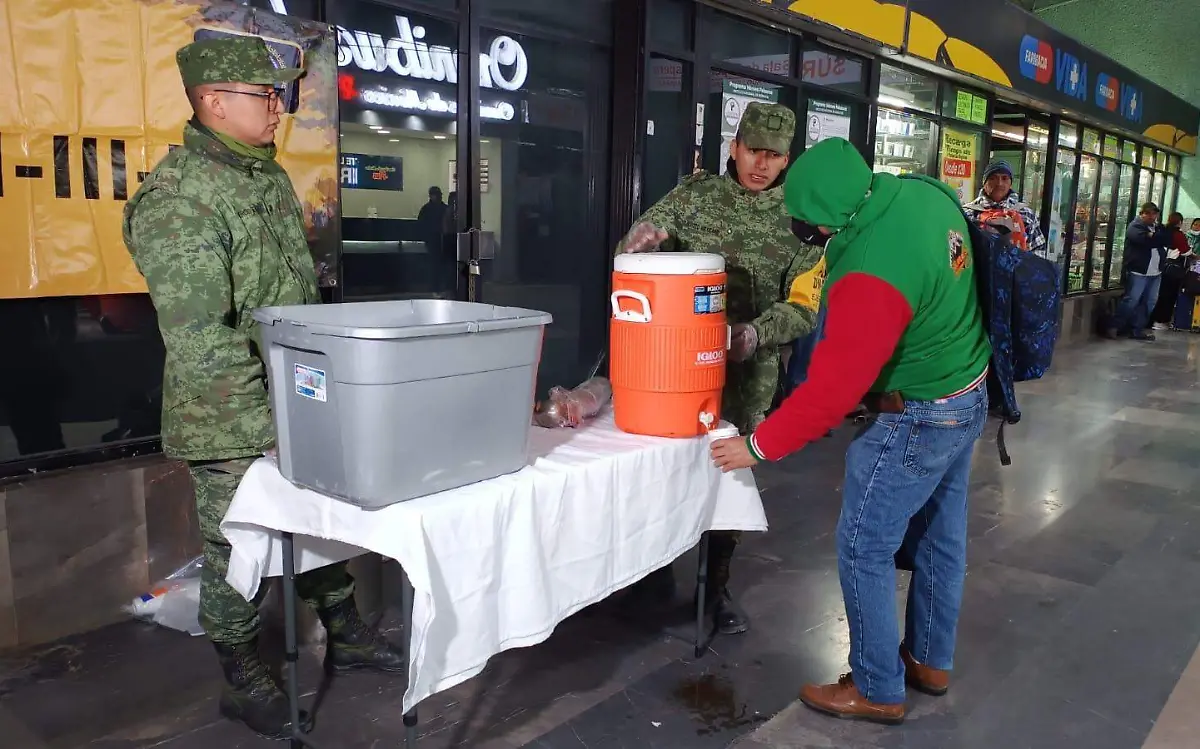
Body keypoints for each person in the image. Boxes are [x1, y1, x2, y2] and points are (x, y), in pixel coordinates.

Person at [123, 37, 404, 740]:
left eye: (280, 95)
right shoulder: (178, 198)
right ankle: (240, 676)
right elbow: (201, 340)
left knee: (313, 520)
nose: (280, 109)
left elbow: (291, 300)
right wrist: (270, 424)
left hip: (293, 401)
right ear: (215, 101)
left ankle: (346, 633)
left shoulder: (262, 177)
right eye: (266, 96)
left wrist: (308, 404)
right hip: (228, 415)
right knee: (236, 545)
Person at [711, 138, 991, 724]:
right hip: (967, 392)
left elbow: (832, 394)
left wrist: (757, 445)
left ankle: (877, 686)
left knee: (865, 545)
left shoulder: (869, 275)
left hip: (917, 413)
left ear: (823, 220)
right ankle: (929, 661)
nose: (806, 235)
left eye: (807, 226)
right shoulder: (922, 193)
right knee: (941, 536)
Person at [616, 102, 824, 635]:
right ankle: (653, 571)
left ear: (787, 160)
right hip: (673, 370)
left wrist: (754, 334)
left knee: (728, 478)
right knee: (664, 465)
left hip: (747, 374)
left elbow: (805, 305)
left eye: (775, 156)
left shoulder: (802, 221)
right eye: (754, 150)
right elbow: (637, 252)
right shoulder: (694, 195)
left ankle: (717, 584)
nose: (762, 164)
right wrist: (635, 245)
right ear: (734, 147)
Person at [1108, 203, 1167, 341]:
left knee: (1149, 302)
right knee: (1131, 300)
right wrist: (1155, 238)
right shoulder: (1135, 226)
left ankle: (1137, 330)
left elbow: (1166, 239)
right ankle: (1114, 326)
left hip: (1155, 272)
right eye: (1150, 214)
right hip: (1139, 272)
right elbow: (1145, 241)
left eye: (1155, 214)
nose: (1153, 217)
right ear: (1143, 213)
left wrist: (1155, 236)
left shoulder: (1157, 228)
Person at [962, 160, 1047, 254]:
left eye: (1004, 178)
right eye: (993, 178)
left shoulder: (1026, 214)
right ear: (984, 183)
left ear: (1010, 183)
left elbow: (1038, 253)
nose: (999, 183)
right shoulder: (968, 213)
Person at [1150, 212, 1194, 330]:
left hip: (1160, 266)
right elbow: (1185, 251)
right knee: (1169, 295)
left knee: (1160, 294)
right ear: (1180, 222)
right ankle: (1162, 320)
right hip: (1173, 269)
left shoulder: (1161, 230)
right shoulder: (1178, 234)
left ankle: (1153, 319)